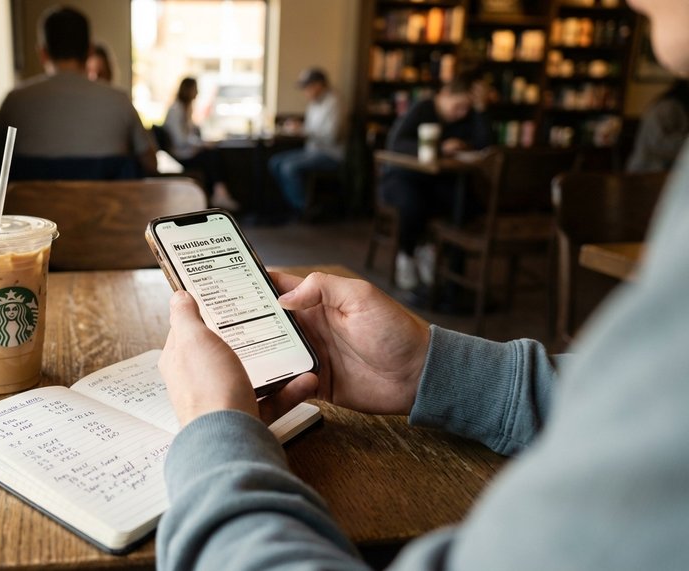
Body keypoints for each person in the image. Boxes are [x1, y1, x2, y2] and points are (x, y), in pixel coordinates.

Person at [155, 0, 689, 568]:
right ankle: (418, 259)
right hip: (424, 201)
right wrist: (430, 368)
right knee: (413, 199)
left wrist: (216, 431)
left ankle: (418, 258)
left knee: (415, 201)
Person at [0, 7, 155, 214]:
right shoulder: (119, 101)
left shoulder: (15, 100)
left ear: (42, 52)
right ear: (89, 50)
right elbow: (150, 163)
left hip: (30, 236)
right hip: (108, 236)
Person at [380, 74, 492, 292]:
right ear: (445, 94)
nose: (462, 113)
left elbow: (484, 145)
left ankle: (437, 256)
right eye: (459, 106)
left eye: (467, 109)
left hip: (440, 180)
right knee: (413, 202)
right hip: (402, 177)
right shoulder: (423, 108)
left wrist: (481, 110)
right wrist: (440, 147)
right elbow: (396, 143)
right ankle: (408, 254)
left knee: (466, 202)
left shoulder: (466, 117)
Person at [268, 67, 345, 219]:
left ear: (318, 85)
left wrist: (303, 130)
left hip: (330, 154)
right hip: (312, 151)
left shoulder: (335, 102)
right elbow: (311, 129)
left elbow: (332, 136)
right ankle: (296, 206)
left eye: (306, 87)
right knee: (275, 162)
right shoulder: (314, 103)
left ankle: (305, 210)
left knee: (289, 167)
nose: (305, 91)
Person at [162, 77, 239, 210]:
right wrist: (202, 144)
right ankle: (219, 194)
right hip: (180, 156)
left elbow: (190, 134)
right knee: (212, 156)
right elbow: (181, 140)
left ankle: (217, 194)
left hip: (187, 152)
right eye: (195, 89)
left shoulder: (186, 109)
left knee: (213, 155)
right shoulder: (176, 109)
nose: (197, 93)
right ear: (188, 90)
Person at [627, 79, 689, 173]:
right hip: (647, 170)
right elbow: (658, 142)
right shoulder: (667, 107)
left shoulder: (677, 107)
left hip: (662, 171)